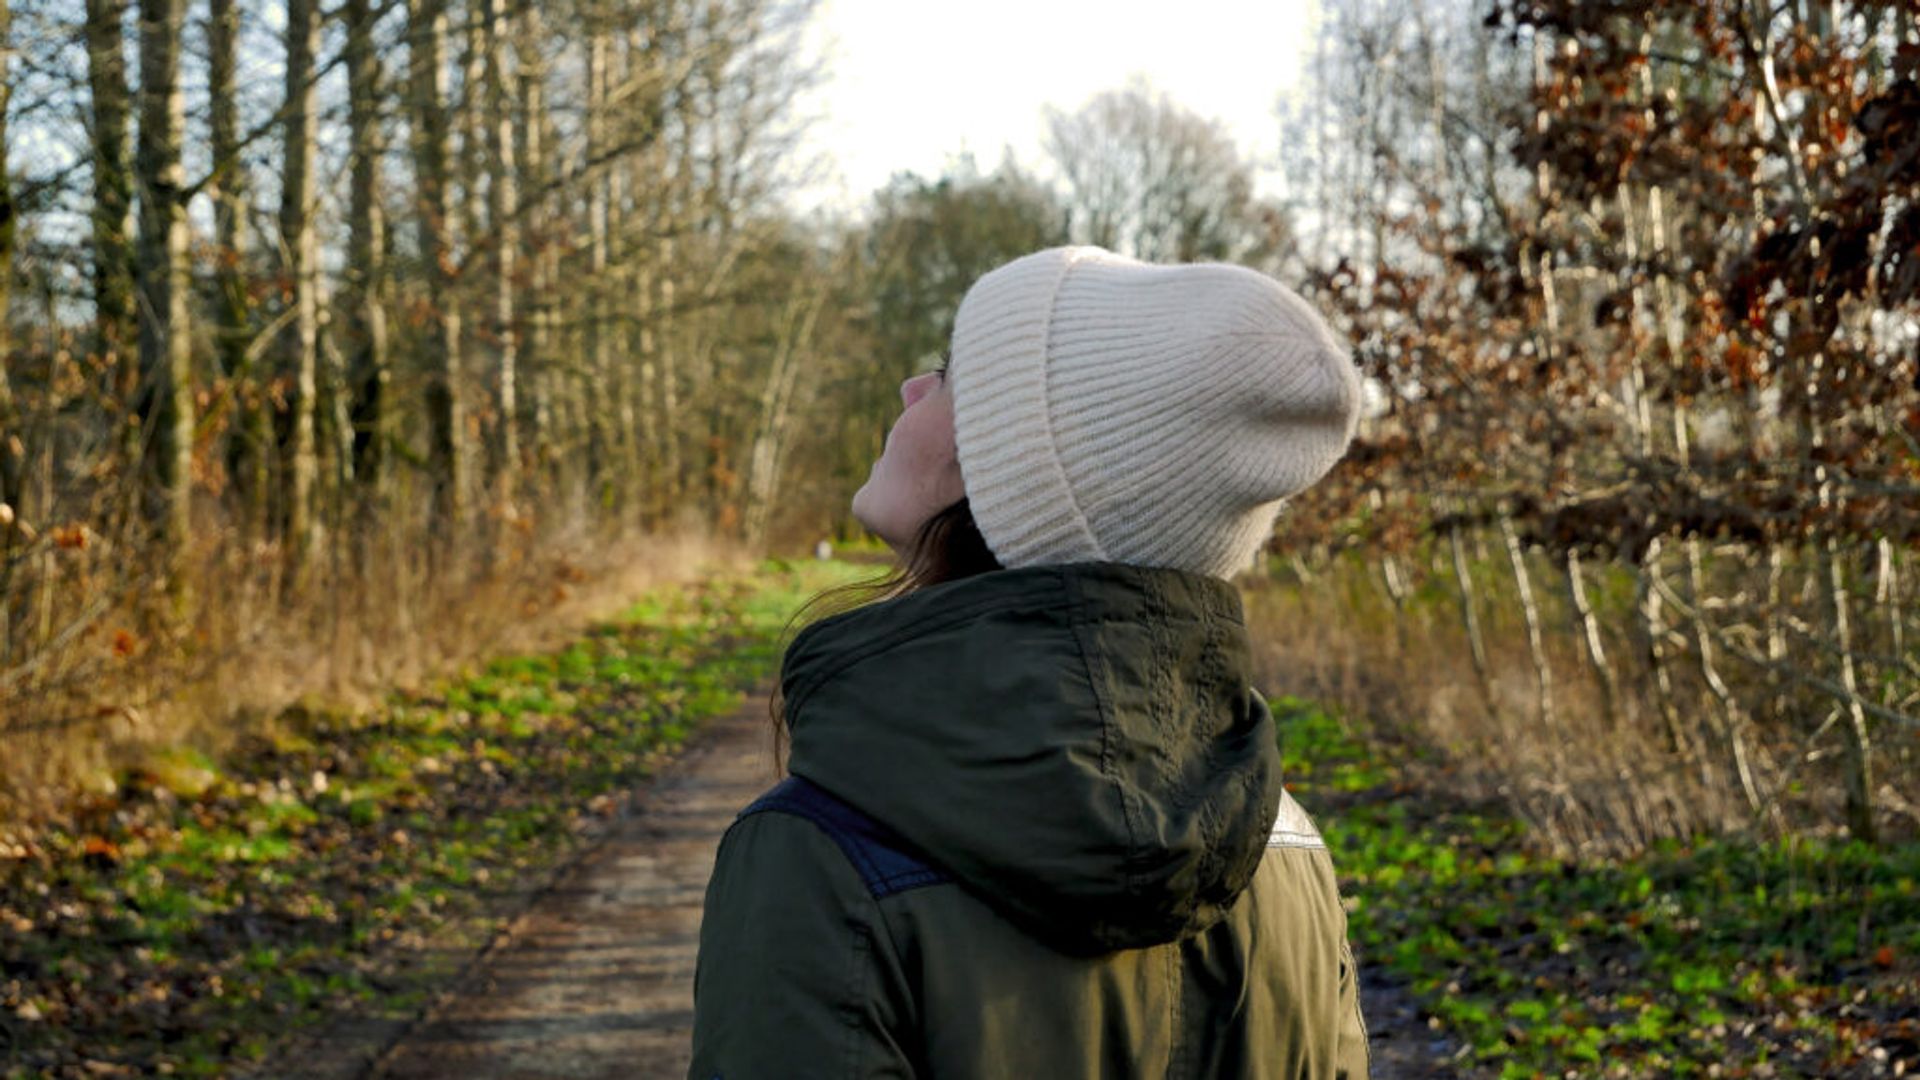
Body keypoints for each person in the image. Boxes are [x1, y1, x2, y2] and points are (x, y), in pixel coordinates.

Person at [689, 246, 1371, 1078]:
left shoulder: (818, 858)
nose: (911, 389)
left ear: (1010, 472)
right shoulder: (1289, 848)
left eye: (948, 375)